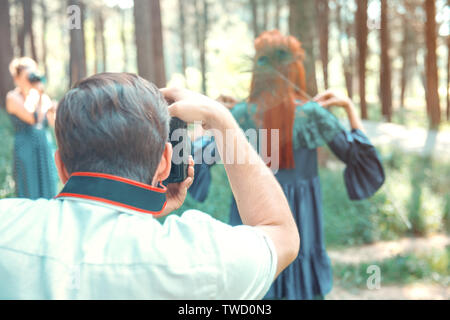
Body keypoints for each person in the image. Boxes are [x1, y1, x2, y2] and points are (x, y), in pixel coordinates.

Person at [0, 72, 299, 299]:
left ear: (61, 166)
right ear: (165, 163)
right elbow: (281, 234)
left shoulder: (8, 225)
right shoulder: (202, 257)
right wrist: (221, 119)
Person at [188, 30, 385, 300]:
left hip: (252, 213)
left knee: (255, 283)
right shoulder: (313, 115)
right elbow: (361, 158)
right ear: (294, 70)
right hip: (300, 219)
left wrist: (212, 116)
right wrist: (349, 108)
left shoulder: (240, 115)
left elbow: (194, 158)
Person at [5, 57, 57, 199]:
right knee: (29, 188)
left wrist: (53, 109)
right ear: (17, 79)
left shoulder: (40, 96)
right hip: (25, 148)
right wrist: (37, 96)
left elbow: (51, 123)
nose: (31, 79)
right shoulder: (13, 97)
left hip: (44, 147)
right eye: (28, 76)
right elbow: (32, 118)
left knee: (48, 186)